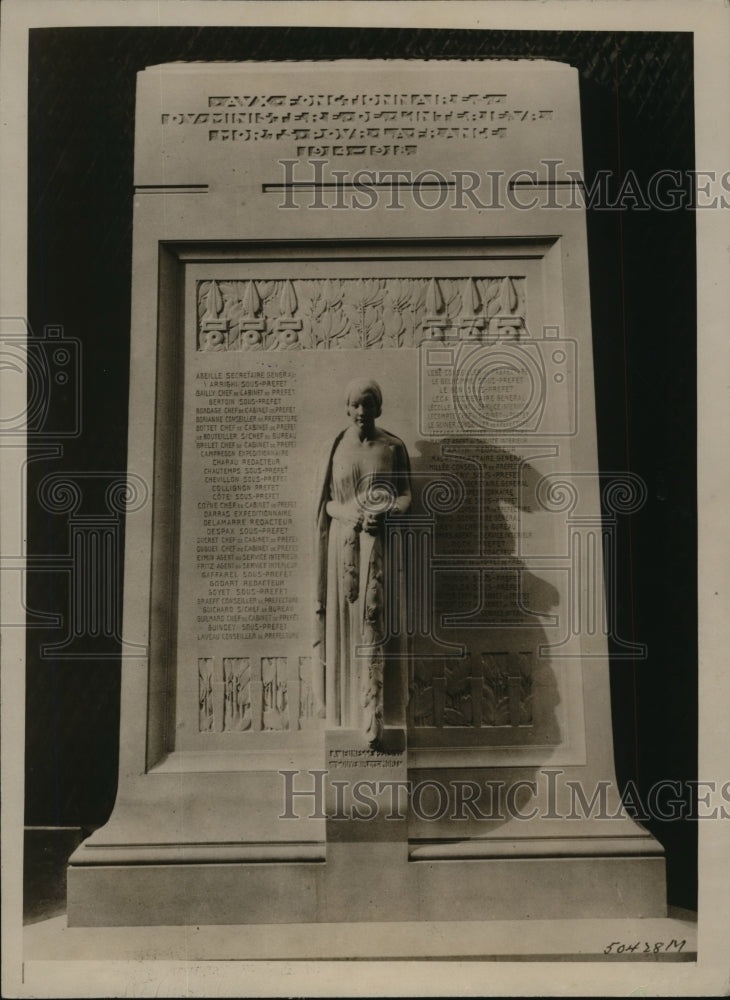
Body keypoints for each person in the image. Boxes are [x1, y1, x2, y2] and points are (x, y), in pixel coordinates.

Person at [313, 378, 411, 746]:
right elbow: (324, 502)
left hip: (380, 543)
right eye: (355, 405)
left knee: (375, 619)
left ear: (378, 407)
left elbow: (406, 494)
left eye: (367, 405)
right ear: (347, 407)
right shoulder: (335, 447)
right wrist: (344, 513)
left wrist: (387, 511)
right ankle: (346, 713)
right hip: (344, 546)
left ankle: (375, 712)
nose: (361, 411)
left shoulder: (392, 447)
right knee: (347, 625)